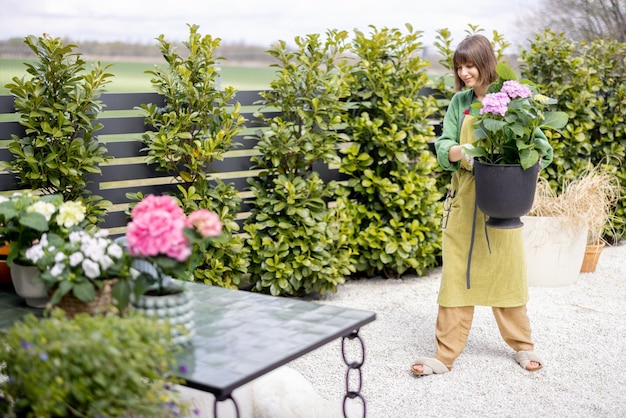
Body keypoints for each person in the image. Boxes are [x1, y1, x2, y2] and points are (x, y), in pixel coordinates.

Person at [411, 34, 550, 376]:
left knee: (507, 271)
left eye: (470, 64)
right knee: (457, 276)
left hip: (502, 205)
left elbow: (541, 148)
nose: (464, 72)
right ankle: (444, 356)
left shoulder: (513, 98)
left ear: (486, 63)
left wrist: (509, 167)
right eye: (460, 66)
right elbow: (443, 146)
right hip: (465, 200)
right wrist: (466, 154)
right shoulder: (460, 103)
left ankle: (522, 345)